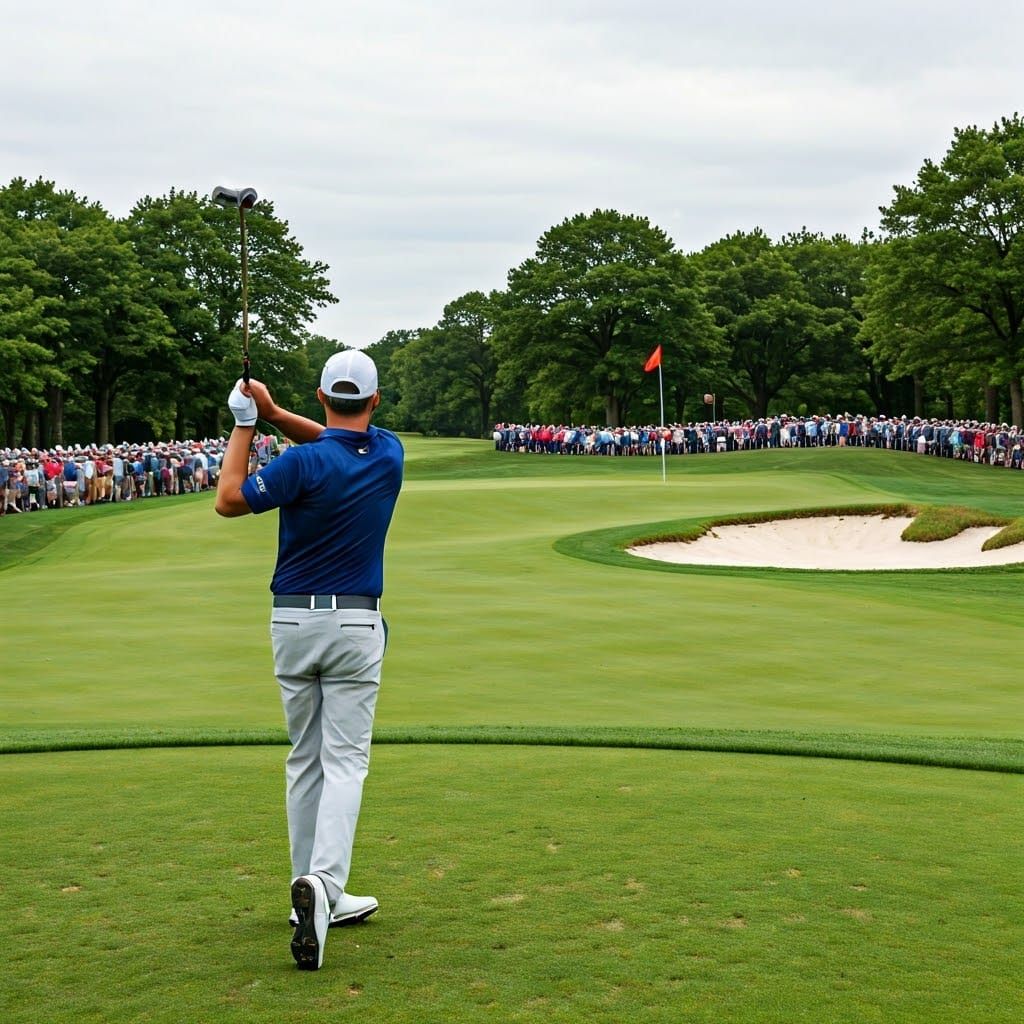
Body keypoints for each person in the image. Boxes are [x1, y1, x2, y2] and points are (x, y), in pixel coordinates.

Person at [215, 350, 404, 972]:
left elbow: (230, 498)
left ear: (320, 395)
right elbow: (334, 438)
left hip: (292, 619)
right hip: (355, 621)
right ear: (375, 403)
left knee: (305, 758)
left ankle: (310, 896)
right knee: (345, 760)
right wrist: (268, 413)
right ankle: (323, 886)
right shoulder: (388, 454)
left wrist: (247, 423)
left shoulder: (300, 463)